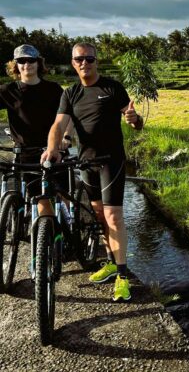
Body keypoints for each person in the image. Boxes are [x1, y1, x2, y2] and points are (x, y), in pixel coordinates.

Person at [41, 42, 143, 302]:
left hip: (111, 160)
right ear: (73, 63)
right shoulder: (70, 93)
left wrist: (134, 120)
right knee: (98, 214)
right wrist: (53, 148)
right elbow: (58, 124)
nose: (84, 63)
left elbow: (134, 120)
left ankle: (122, 276)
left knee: (113, 216)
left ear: (96, 61)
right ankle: (110, 262)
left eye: (89, 58)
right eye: (79, 59)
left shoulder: (112, 87)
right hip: (85, 162)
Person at [0, 44, 72, 216]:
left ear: (38, 63)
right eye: (21, 61)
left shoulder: (53, 89)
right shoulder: (7, 91)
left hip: (54, 150)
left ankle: (70, 232)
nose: (27, 64)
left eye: (31, 60)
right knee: (41, 200)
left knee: (65, 196)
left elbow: (68, 116)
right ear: (15, 65)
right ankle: (46, 237)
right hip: (26, 155)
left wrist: (66, 138)